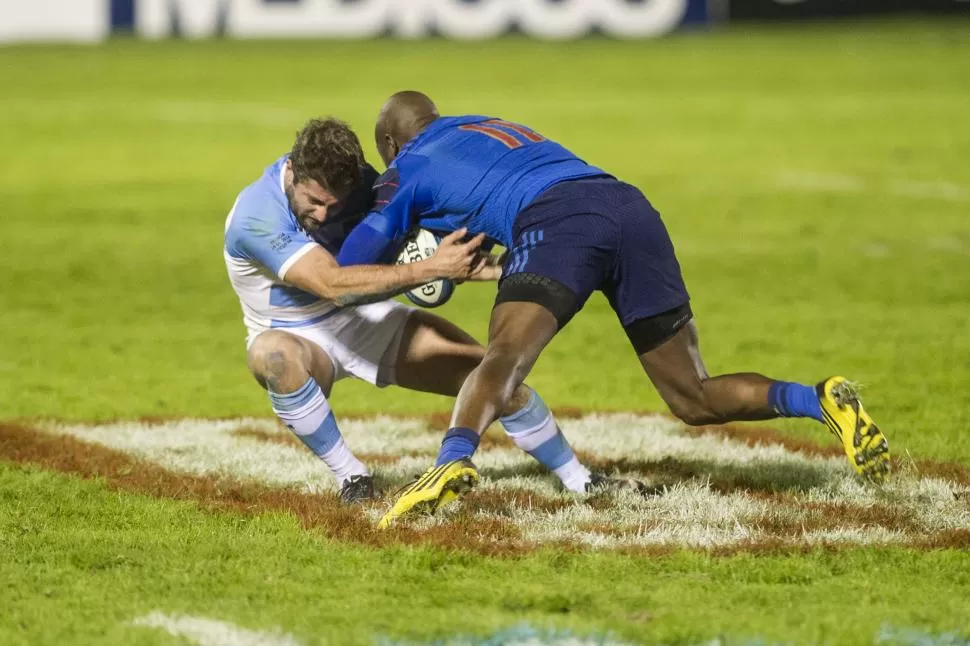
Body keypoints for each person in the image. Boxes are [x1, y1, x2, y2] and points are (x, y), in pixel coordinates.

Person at [331, 91, 891, 527]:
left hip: (559, 220)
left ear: (387, 143)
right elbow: (513, 205)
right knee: (693, 396)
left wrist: (409, 268)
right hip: (627, 206)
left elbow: (349, 269)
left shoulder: (407, 165)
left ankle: (450, 461)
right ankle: (817, 398)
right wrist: (485, 265)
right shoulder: (489, 126)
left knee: (503, 355)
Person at [223, 117, 611, 504]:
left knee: (492, 377)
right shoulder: (256, 216)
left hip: (366, 318)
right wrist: (430, 269)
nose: (324, 214)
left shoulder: (359, 185)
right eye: (314, 202)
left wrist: (465, 263)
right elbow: (332, 285)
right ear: (292, 171)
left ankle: (580, 478)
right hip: (295, 331)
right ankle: (352, 476)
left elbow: (396, 245)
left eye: (333, 204)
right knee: (271, 356)